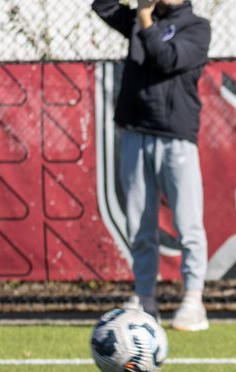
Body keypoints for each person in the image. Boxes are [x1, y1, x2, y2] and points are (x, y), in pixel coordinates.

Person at [92, 0, 211, 331]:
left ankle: (193, 300)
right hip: (135, 133)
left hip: (176, 137)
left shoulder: (196, 27)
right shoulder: (138, 18)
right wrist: (142, 12)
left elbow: (167, 60)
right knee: (140, 226)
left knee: (187, 224)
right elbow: (102, 6)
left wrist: (145, 17)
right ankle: (144, 298)